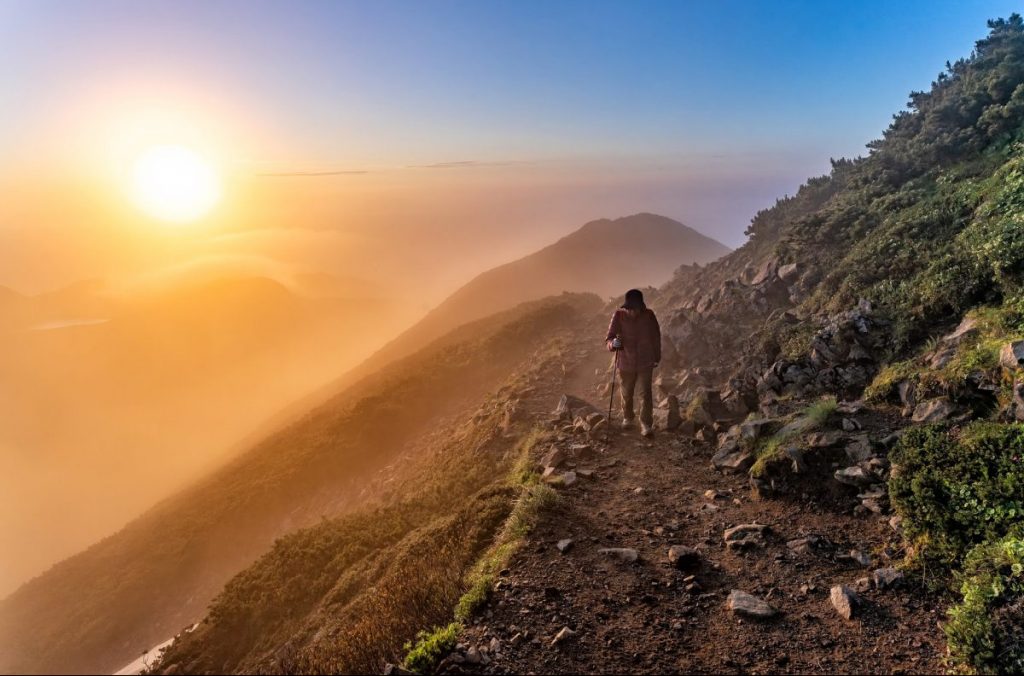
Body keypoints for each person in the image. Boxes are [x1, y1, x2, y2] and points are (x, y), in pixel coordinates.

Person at [606, 288, 661, 437]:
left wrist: (656, 357)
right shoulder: (618, 315)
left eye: (634, 308)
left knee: (645, 393)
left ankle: (646, 424)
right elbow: (609, 337)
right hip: (625, 360)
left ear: (640, 306)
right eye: (628, 308)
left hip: (645, 360)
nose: (631, 311)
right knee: (627, 392)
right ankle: (628, 417)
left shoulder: (649, 315)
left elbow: (656, 336)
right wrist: (613, 344)